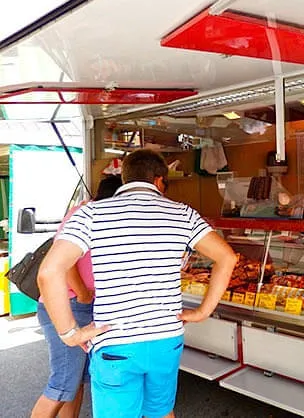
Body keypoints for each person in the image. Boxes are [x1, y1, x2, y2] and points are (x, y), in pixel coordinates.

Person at [38, 149, 238, 418]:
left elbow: (49, 272)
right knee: (162, 411)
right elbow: (227, 257)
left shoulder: (91, 213)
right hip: (166, 339)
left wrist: (70, 334)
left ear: (124, 177)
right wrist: (202, 312)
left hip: (115, 341)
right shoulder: (183, 213)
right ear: (159, 180)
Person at [31, 174, 123, 418]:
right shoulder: (84, 214)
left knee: (77, 381)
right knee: (62, 384)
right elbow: (61, 263)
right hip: (69, 304)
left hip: (85, 305)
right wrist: (82, 293)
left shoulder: (100, 215)